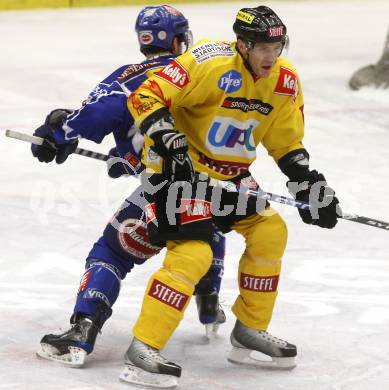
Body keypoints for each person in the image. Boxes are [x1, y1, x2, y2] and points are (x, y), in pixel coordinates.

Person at [122, 5, 341, 388]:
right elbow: (145, 96)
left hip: (230, 175)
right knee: (194, 253)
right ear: (242, 44)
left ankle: (249, 331)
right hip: (179, 172)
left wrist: (308, 182)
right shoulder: (208, 59)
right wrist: (165, 135)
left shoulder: (285, 80)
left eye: (277, 47)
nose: (270, 56)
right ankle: (144, 346)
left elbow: (285, 141)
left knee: (271, 231)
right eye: (261, 48)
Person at [31, 5, 226, 368]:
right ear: (180, 37)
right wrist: (127, 157)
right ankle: (209, 300)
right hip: (216, 186)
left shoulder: (130, 76)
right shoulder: (205, 72)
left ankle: (84, 326)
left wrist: (58, 131)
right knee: (205, 232)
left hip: (161, 192)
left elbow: (97, 116)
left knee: (111, 252)